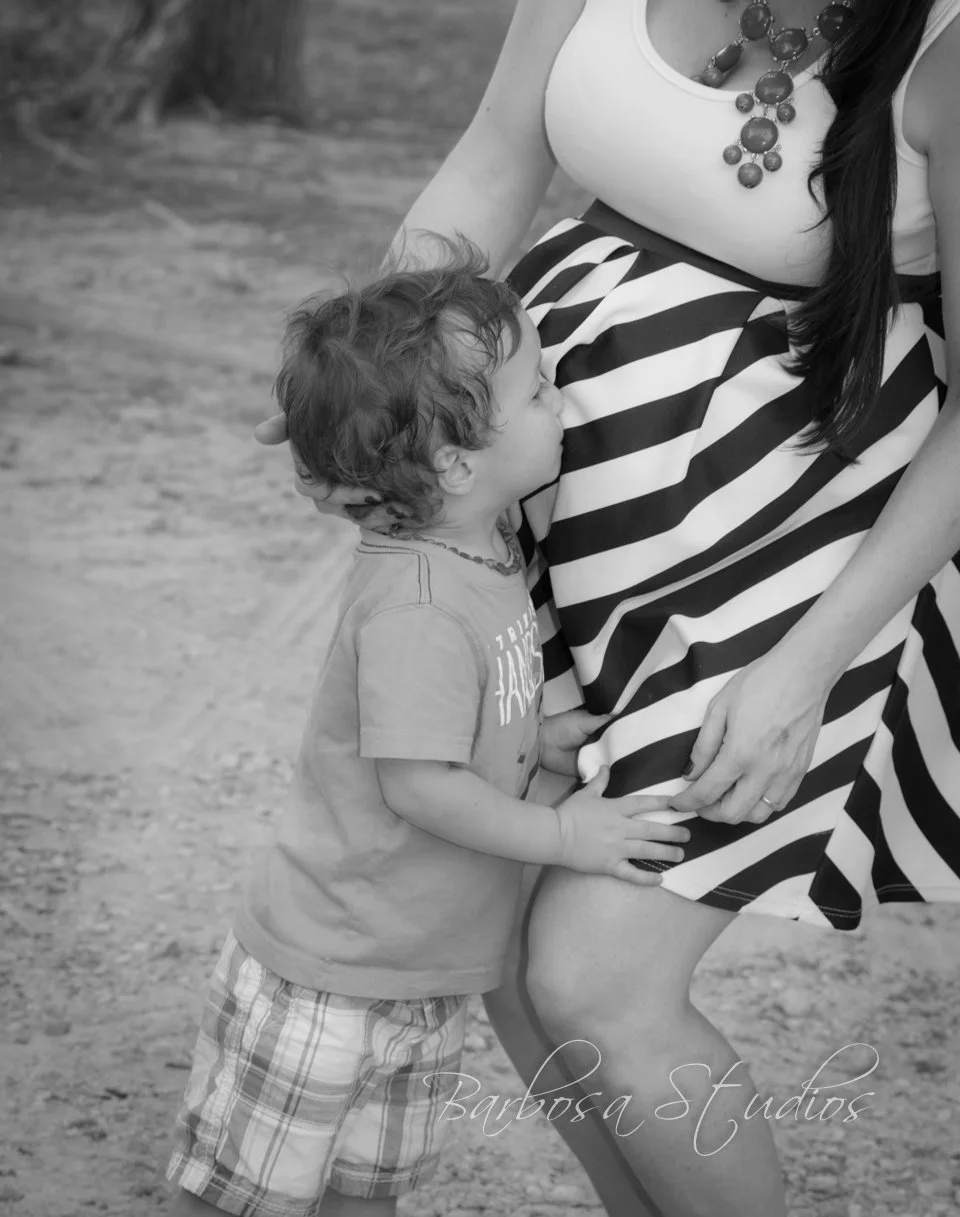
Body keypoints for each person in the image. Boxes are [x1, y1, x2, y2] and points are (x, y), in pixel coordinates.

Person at [259, 0, 960, 1213]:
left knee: (597, 975)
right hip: (543, 473)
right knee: (512, 958)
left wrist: (807, 663)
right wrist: (400, 405)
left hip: (801, 537)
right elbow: (498, 156)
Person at [167, 261, 690, 1217]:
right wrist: (569, 838)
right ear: (454, 462)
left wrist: (542, 733)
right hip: (334, 972)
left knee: (369, 1190)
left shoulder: (480, 549)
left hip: (419, 971)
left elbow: (471, 714)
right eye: (536, 389)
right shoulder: (417, 601)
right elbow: (422, 785)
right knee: (251, 1198)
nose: (560, 398)